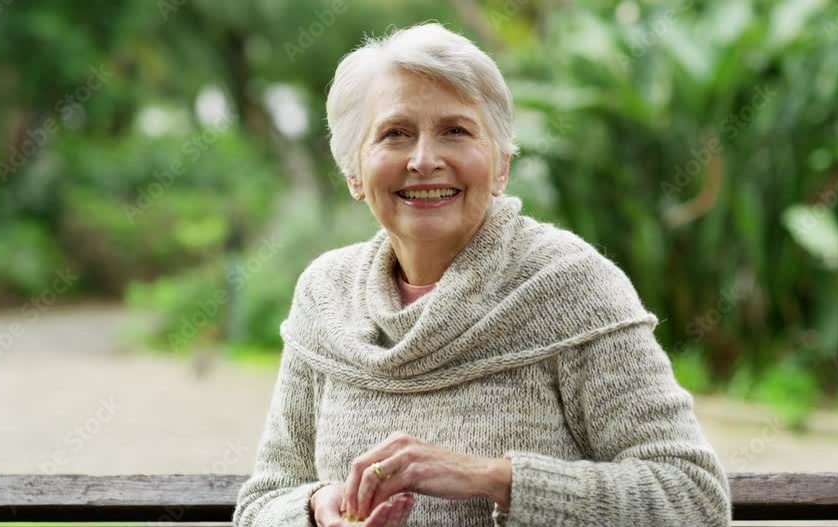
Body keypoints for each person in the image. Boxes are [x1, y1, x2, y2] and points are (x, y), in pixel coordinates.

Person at [232, 22, 731, 527]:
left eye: (456, 131)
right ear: (355, 173)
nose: (424, 160)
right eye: (395, 134)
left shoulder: (572, 285)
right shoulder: (325, 294)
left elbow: (692, 496)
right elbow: (263, 501)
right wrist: (315, 510)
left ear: (500, 167)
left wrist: (491, 478)